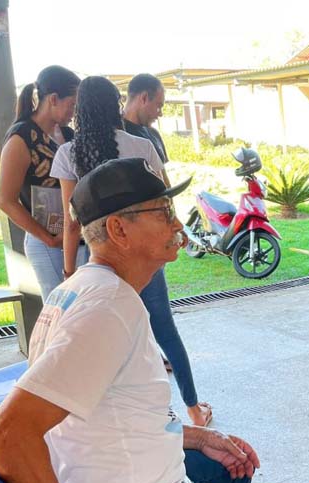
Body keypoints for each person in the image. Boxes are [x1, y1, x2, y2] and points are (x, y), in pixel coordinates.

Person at [0, 158, 309, 483]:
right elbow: (5, 435)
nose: (178, 224)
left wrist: (199, 437)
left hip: (122, 474)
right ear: (119, 230)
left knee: (228, 467)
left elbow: (117, 417)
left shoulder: (80, 289)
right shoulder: (107, 309)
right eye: (163, 212)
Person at [51, 76, 213, 427]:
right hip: (143, 254)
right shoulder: (140, 145)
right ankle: (193, 408)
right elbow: (165, 202)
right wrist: (173, 235)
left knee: (110, 335)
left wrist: (68, 270)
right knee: (164, 330)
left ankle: (128, 415)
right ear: (115, 106)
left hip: (97, 258)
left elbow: (71, 220)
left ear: (80, 111)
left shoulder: (68, 154)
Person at [0, 65, 87, 300]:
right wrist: (48, 238)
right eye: (72, 104)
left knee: (80, 313)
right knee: (60, 315)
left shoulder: (67, 135)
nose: (74, 112)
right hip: (48, 243)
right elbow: (4, 200)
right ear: (53, 99)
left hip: (73, 236)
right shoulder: (20, 138)